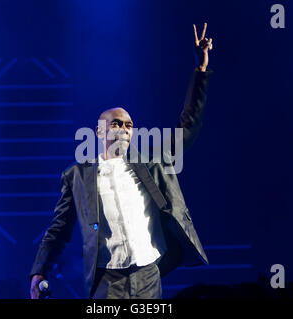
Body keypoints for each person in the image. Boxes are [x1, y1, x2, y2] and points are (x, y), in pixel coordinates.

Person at [30, 22, 214, 299]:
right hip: (107, 279)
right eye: (117, 123)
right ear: (100, 130)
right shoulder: (77, 175)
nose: (124, 129)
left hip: (148, 273)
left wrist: (200, 70)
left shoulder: (150, 163)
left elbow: (187, 127)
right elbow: (59, 229)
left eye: (129, 125)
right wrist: (39, 271)